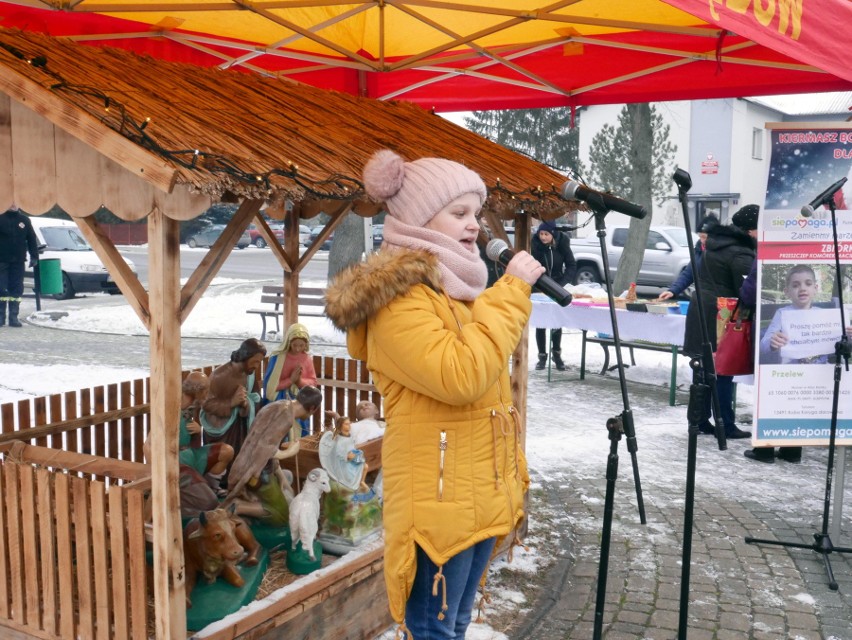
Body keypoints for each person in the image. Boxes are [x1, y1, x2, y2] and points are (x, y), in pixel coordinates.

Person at [324, 149, 544, 640]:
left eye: (476, 213)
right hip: (437, 500)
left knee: (456, 624)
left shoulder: (458, 294)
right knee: (434, 631)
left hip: (472, 492)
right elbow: (461, 375)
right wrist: (509, 294)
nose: (475, 226)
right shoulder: (399, 300)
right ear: (420, 219)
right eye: (459, 213)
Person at [683, 204, 758, 440]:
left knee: (703, 367)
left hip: (702, 310)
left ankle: (699, 419)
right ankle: (725, 423)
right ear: (749, 230)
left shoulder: (715, 244)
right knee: (722, 370)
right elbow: (748, 290)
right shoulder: (741, 252)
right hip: (721, 315)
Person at [144, 371, 235, 495]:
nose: (207, 395)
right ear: (197, 391)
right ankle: (202, 492)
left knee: (227, 451)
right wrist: (157, 472)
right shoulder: (169, 409)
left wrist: (198, 430)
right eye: (205, 391)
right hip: (177, 463)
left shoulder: (191, 406)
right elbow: (147, 445)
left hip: (192, 455)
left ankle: (213, 488)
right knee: (207, 500)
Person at [758, 265, 852, 365]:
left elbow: (841, 343)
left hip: (822, 369)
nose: (802, 288)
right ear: (787, 292)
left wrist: (849, 337)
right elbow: (763, 346)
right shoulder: (782, 314)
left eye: (808, 284)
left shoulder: (823, 315)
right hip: (792, 371)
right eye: (795, 285)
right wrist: (772, 343)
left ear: (815, 288)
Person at [200, 338, 266, 459]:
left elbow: (256, 399)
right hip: (222, 430)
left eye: (259, 363)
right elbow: (206, 404)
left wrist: (246, 404)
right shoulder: (220, 376)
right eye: (255, 361)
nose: (257, 366)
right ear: (246, 356)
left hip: (240, 427)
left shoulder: (249, 374)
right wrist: (231, 403)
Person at [530, 219, 576, 371]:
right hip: (540, 287)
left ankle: (556, 354)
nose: (543, 237)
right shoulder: (536, 246)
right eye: (541, 234)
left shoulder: (562, 245)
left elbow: (571, 265)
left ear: (553, 234)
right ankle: (542, 356)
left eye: (546, 234)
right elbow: (532, 265)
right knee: (541, 323)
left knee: (556, 322)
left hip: (557, 286)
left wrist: (561, 283)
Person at [263, 322, 319, 435]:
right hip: (279, 401)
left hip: (300, 402)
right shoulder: (277, 358)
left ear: (306, 344)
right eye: (295, 345)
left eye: (301, 345)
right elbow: (269, 385)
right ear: (289, 342)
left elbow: (313, 383)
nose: (298, 349)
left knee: (298, 433)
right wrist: (290, 380)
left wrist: (299, 382)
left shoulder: (307, 359)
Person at [658, 214, 719, 301]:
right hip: (702, 298)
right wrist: (673, 291)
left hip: (719, 300)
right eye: (700, 236)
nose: (702, 240)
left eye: (705, 237)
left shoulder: (721, 252)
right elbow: (689, 273)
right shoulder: (698, 250)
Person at [0, 208, 39, 328]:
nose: (13, 204)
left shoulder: (24, 220)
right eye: (11, 201)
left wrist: (34, 256)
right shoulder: (1, 218)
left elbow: (32, 239)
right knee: (1, 288)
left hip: (18, 261)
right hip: (2, 260)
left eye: (15, 201)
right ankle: (1, 317)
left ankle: (13, 317)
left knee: (16, 288)